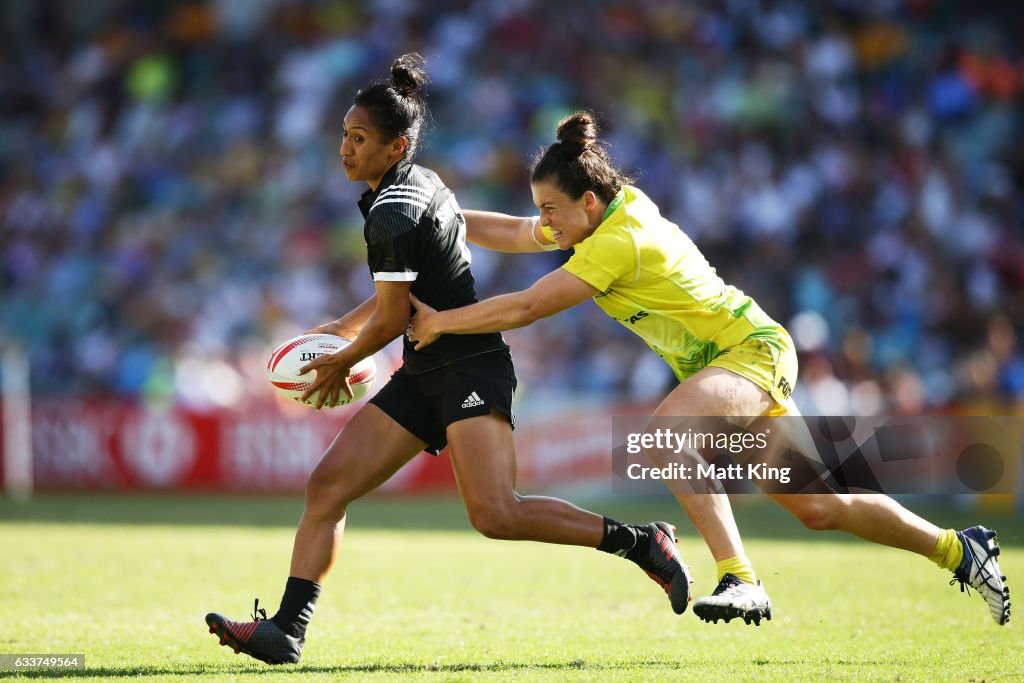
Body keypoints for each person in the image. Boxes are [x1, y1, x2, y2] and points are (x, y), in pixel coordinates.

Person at [408, 111, 1011, 627]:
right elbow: (516, 233)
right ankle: (961, 551)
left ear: (587, 201)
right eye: (542, 210)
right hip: (738, 360)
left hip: (749, 352)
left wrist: (439, 323)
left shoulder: (619, 240)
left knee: (666, 437)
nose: (546, 223)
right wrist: (438, 217)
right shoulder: (601, 216)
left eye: (552, 210)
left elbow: (527, 305)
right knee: (822, 506)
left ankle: (741, 577)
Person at [204, 58, 692, 666]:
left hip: (469, 364)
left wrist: (341, 360)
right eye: (344, 135)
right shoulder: (419, 184)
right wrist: (343, 328)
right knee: (327, 487)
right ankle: (287, 629)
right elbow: (403, 290)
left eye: (359, 139)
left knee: (496, 514)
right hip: (424, 367)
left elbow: (390, 317)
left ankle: (644, 543)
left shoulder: (393, 211)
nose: (344, 150)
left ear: (396, 145)